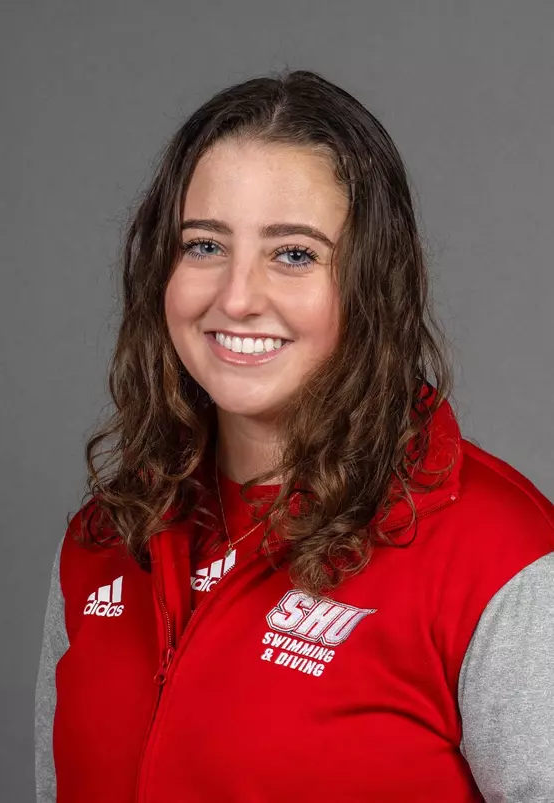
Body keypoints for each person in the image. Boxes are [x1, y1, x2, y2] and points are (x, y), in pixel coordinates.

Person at [35, 69, 554, 803]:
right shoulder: (102, 541)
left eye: (294, 253)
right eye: (205, 245)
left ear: (373, 281)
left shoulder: (496, 555)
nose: (238, 296)